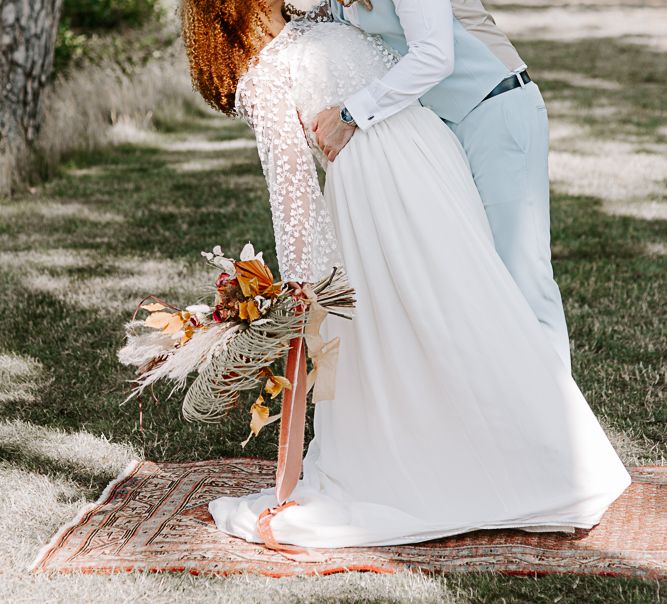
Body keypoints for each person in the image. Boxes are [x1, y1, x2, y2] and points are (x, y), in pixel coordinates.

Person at [179, 0, 630, 549]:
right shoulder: (285, 52)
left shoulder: (308, 31)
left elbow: (434, 55)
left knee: (509, 289)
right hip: (407, 161)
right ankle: (512, 450)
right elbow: (292, 196)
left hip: (482, 114)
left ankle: (548, 446)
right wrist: (308, 292)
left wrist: (349, 115)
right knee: (452, 309)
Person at [312, 0, 571, 373]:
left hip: (494, 109)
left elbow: (434, 55)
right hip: (439, 130)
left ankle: (558, 412)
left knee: (523, 272)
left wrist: (350, 114)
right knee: (469, 270)